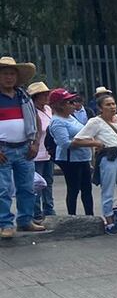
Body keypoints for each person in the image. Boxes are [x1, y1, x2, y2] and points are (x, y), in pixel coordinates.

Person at [75, 92, 117, 234]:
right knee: (108, 190)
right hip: (109, 157)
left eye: (113, 104)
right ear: (100, 108)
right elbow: (78, 140)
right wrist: (96, 143)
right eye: (108, 105)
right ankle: (109, 221)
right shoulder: (95, 122)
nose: (112, 107)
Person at [0, 56, 44, 238]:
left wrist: (35, 142)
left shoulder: (23, 97)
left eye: (12, 74)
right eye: (5, 74)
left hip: (25, 147)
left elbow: (36, 121)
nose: (9, 77)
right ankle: (5, 224)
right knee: (2, 190)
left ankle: (25, 220)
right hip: (3, 150)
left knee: (27, 187)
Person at [47, 89, 95, 216]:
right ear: (60, 105)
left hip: (83, 157)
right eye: (69, 102)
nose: (73, 104)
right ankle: (72, 217)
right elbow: (65, 144)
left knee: (87, 189)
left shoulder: (70, 117)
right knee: (73, 189)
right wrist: (91, 143)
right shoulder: (57, 121)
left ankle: (90, 216)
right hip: (70, 160)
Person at [27, 81, 55, 222]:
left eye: (46, 94)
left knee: (48, 182)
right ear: (36, 97)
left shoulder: (48, 109)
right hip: (36, 153)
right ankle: (36, 212)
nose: (46, 97)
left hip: (48, 152)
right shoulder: (31, 111)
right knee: (37, 184)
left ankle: (49, 209)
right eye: (43, 95)